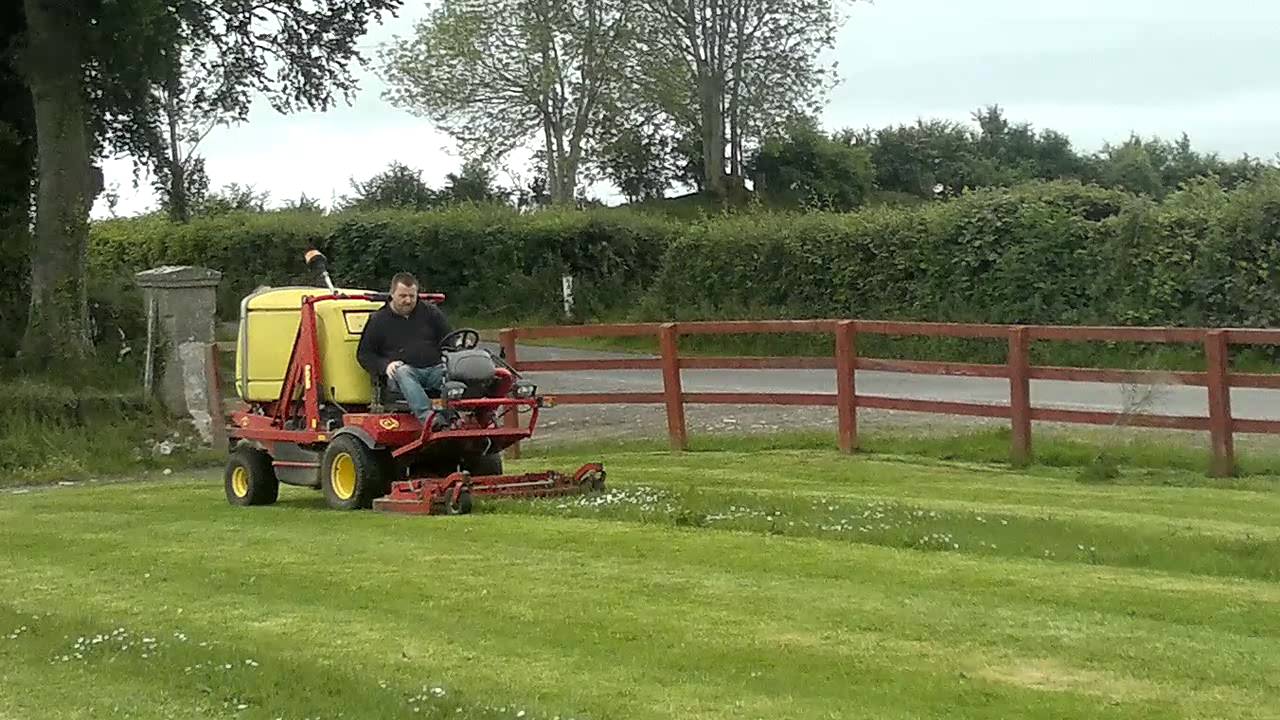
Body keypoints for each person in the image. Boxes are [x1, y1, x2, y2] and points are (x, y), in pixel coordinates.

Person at [356, 272, 452, 425]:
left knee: (455, 369)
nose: (408, 300)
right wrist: (385, 366)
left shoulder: (431, 312)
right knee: (402, 371)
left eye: (412, 296)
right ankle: (428, 418)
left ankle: (460, 414)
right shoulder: (378, 320)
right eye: (403, 296)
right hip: (403, 376)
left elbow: (449, 340)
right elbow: (364, 354)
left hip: (434, 369)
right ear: (392, 294)